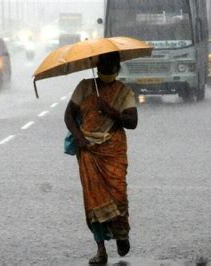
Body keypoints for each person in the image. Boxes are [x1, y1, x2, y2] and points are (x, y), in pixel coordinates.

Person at [64, 51, 138, 264]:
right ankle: (101, 250)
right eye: (103, 65)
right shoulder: (85, 87)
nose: (107, 70)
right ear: (97, 67)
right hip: (88, 151)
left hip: (113, 152)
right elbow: (69, 115)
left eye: (111, 66)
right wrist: (79, 138)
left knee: (119, 195)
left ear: (117, 68)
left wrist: (110, 110)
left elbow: (132, 122)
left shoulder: (123, 93)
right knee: (93, 201)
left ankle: (122, 234)